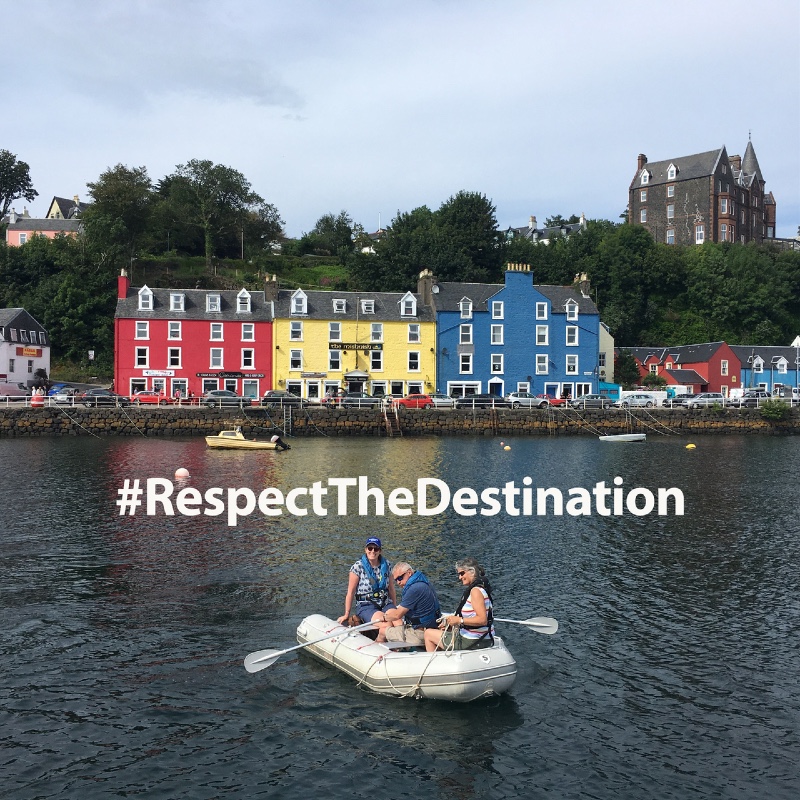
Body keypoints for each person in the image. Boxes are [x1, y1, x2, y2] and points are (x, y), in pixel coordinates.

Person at [424, 557, 495, 652]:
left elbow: (482, 620)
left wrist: (459, 620)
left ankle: (434, 665)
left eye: (462, 573)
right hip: (481, 637)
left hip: (474, 639)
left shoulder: (475, 591)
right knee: (442, 631)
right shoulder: (480, 588)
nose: (460, 577)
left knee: (428, 633)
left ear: (472, 572)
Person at [337, 538, 397, 627]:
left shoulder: (387, 565)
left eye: (375, 549)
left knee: (398, 621)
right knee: (387, 624)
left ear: (380, 551)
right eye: (370, 548)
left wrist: (394, 607)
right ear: (366, 550)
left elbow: (391, 589)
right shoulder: (357, 567)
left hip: (385, 602)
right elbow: (350, 592)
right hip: (366, 605)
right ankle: (380, 639)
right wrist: (347, 614)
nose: (372, 551)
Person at [381, 562, 441, 646]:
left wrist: (384, 617)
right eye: (396, 580)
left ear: (409, 573)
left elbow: (397, 615)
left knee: (382, 631)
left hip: (419, 634)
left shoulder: (413, 589)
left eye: (400, 578)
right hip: (432, 627)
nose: (398, 582)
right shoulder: (422, 581)